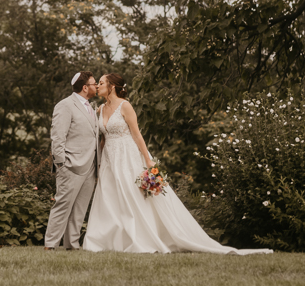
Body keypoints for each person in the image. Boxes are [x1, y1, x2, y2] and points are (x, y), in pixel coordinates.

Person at [83, 73, 273, 255]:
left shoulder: (125, 106)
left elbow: (136, 134)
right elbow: (103, 139)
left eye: (100, 82)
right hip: (109, 159)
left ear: (112, 86)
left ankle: (140, 238)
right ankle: (109, 240)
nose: (97, 86)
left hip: (128, 156)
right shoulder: (100, 109)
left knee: (132, 195)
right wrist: (99, 161)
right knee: (110, 196)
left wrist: (148, 160)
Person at [44, 71, 100, 250]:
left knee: (79, 209)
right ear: (85, 88)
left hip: (90, 166)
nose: (97, 86)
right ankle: (50, 245)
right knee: (63, 206)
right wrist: (61, 163)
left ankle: (72, 244)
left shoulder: (90, 107)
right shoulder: (65, 105)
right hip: (70, 165)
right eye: (94, 84)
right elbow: (58, 136)